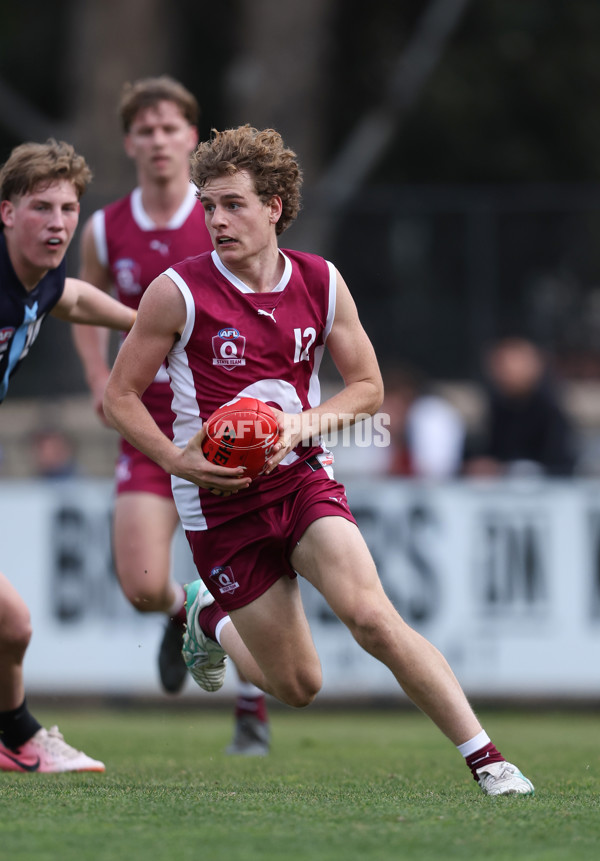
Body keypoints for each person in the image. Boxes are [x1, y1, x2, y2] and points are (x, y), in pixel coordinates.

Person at [103, 124, 534, 796]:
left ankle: (490, 760)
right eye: (208, 205)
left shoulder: (320, 281)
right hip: (217, 505)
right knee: (299, 685)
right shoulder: (175, 292)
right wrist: (174, 461)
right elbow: (119, 396)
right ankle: (206, 616)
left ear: (274, 204)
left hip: (301, 477)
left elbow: (368, 388)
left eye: (233, 204)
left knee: (371, 614)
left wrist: (297, 426)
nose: (216, 219)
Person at [72, 77, 270, 755]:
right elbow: (82, 301)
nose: (159, 140)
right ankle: (191, 611)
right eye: (146, 130)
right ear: (130, 142)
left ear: (193, 138)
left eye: (170, 128)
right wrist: (101, 377)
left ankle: (252, 708)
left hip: (224, 426)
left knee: (255, 576)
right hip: (149, 430)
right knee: (140, 585)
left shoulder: (217, 215)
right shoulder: (105, 227)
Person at [0, 138, 136, 772]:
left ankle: (16, 739)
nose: (57, 223)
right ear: (6, 212)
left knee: (12, 628)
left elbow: (74, 298)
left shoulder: (42, 277)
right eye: (40, 208)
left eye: (67, 208)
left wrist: (148, 323)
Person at [464, 336, 577, 478]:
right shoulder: (499, 408)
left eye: (509, 364)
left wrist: (504, 469)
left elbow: (558, 466)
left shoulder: (550, 412)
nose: (503, 372)